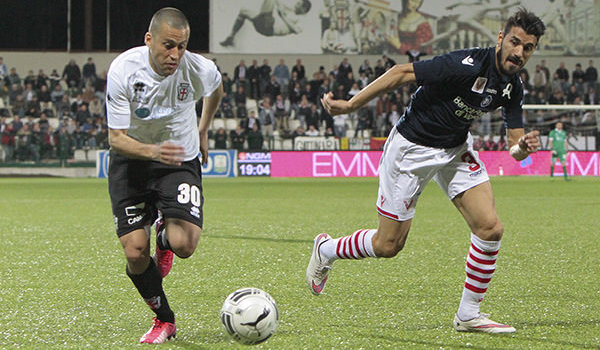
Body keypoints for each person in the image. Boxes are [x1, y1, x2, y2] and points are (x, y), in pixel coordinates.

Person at [308, 8, 545, 334]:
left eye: (528, 48)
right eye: (515, 42)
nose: (519, 53)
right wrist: (350, 106)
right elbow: (401, 72)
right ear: (501, 38)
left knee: (490, 228)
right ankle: (327, 249)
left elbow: (515, 149)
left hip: (454, 148)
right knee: (387, 246)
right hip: (411, 148)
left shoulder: (512, 87)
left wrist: (524, 149)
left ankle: (468, 314)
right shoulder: (467, 64)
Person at [105, 7, 223, 344]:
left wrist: (203, 129)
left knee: (184, 244)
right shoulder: (124, 70)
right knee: (133, 253)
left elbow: (216, 88)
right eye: (168, 45)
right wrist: (154, 151)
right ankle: (165, 320)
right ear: (149, 40)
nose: (175, 55)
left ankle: (164, 238)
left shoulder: (199, 69)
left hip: (179, 159)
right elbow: (116, 137)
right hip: (132, 160)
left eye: (182, 46)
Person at [220, 0, 312, 46]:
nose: (296, 4)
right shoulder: (291, 10)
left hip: (269, 28)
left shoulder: (302, 20)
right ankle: (231, 38)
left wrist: (282, 16)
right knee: (243, 11)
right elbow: (280, 5)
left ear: (304, 10)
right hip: (264, 24)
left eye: (299, 4)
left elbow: (296, 30)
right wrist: (281, 9)